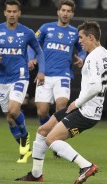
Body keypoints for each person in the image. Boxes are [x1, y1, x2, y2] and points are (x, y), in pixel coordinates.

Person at [15, 20, 107, 183]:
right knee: (43, 131)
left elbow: (95, 87)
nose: (79, 41)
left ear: (91, 37)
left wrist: (78, 102)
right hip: (83, 108)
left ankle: (86, 166)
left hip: (86, 112)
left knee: (51, 140)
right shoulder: (104, 53)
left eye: (81, 38)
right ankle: (36, 174)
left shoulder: (93, 58)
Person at [0, 0, 45, 163]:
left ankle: (25, 136)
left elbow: (39, 51)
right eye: (9, 11)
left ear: (19, 13)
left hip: (20, 76)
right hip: (2, 79)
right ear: (5, 13)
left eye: (14, 11)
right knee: (10, 119)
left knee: (13, 109)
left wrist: (41, 71)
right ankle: (25, 149)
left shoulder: (27, 32)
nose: (11, 14)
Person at [28, 0, 85, 128]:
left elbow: (82, 49)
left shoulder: (75, 32)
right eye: (63, 10)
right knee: (42, 112)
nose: (65, 13)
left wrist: (82, 58)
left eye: (68, 11)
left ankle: (55, 139)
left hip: (63, 75)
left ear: (72, 14)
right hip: (45, 74)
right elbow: (33, 44)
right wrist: (31, 58)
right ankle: (49, 131)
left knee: (61, 106)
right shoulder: (46, 28)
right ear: (58, 12)